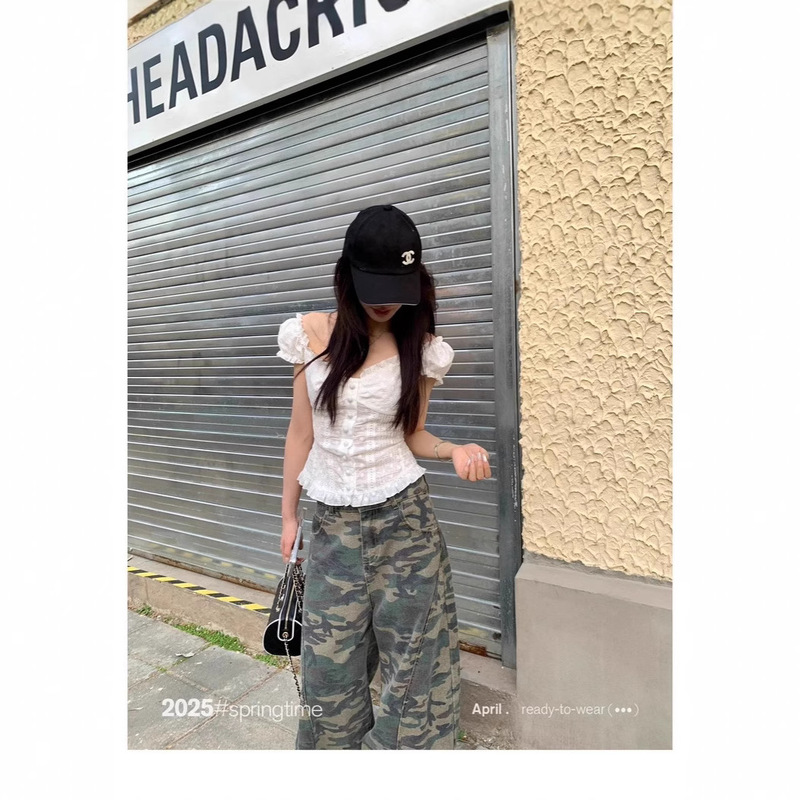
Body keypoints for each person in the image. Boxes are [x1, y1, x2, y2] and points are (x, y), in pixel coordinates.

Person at [276, 204, 491, 750]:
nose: (383, 300)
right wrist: (288, 516)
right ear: (346, 275)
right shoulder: (310, 335)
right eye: (372, 285)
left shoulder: (422, 348)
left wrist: (455, 449)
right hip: (332, 528)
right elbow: (301, 434)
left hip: (405, 524)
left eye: (395, 286)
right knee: (329, 671)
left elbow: (412, 434)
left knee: (417, 670)